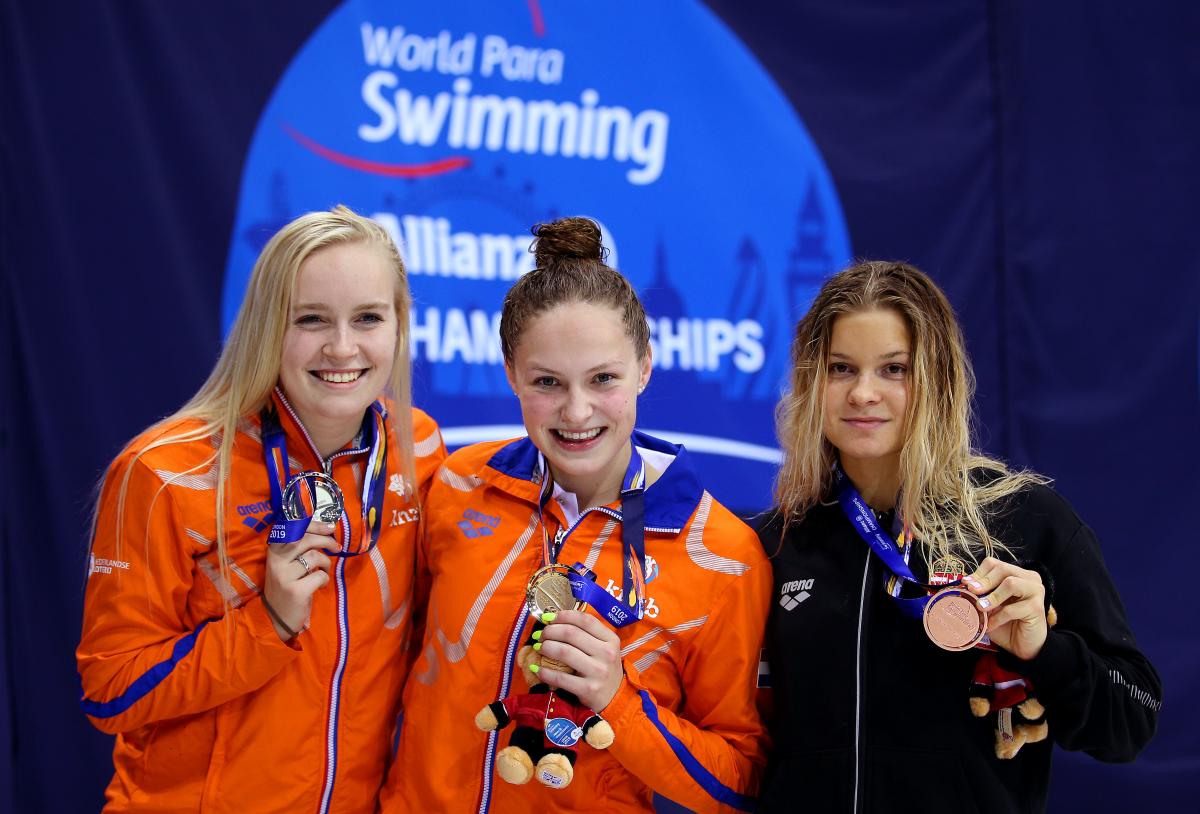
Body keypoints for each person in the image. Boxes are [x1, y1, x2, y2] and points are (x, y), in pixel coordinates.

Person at [378, 217, 771, 813]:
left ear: (644, 367)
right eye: (547, 382)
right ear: (511, 374)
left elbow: (737, 783)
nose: (577, 410)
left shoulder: (722, 554)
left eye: (604, 378)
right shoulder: (458, 486)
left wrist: (618, 700)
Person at [76, 206, 446, 812]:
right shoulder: (165, 470)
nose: (343, 347)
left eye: (369, 318)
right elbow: (110, 691)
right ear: (266, 326)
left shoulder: (417, 447)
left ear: (399, 327)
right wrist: (267, 622)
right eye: (311, 319)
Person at [756, 260, 1161, 812]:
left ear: (937, 379)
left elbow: (1132, 720)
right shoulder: (777, 543)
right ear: (810, 381)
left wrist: (1044, 652)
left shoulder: (1024, 521)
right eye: (841, 368)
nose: (864, 393)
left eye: (894, 369)